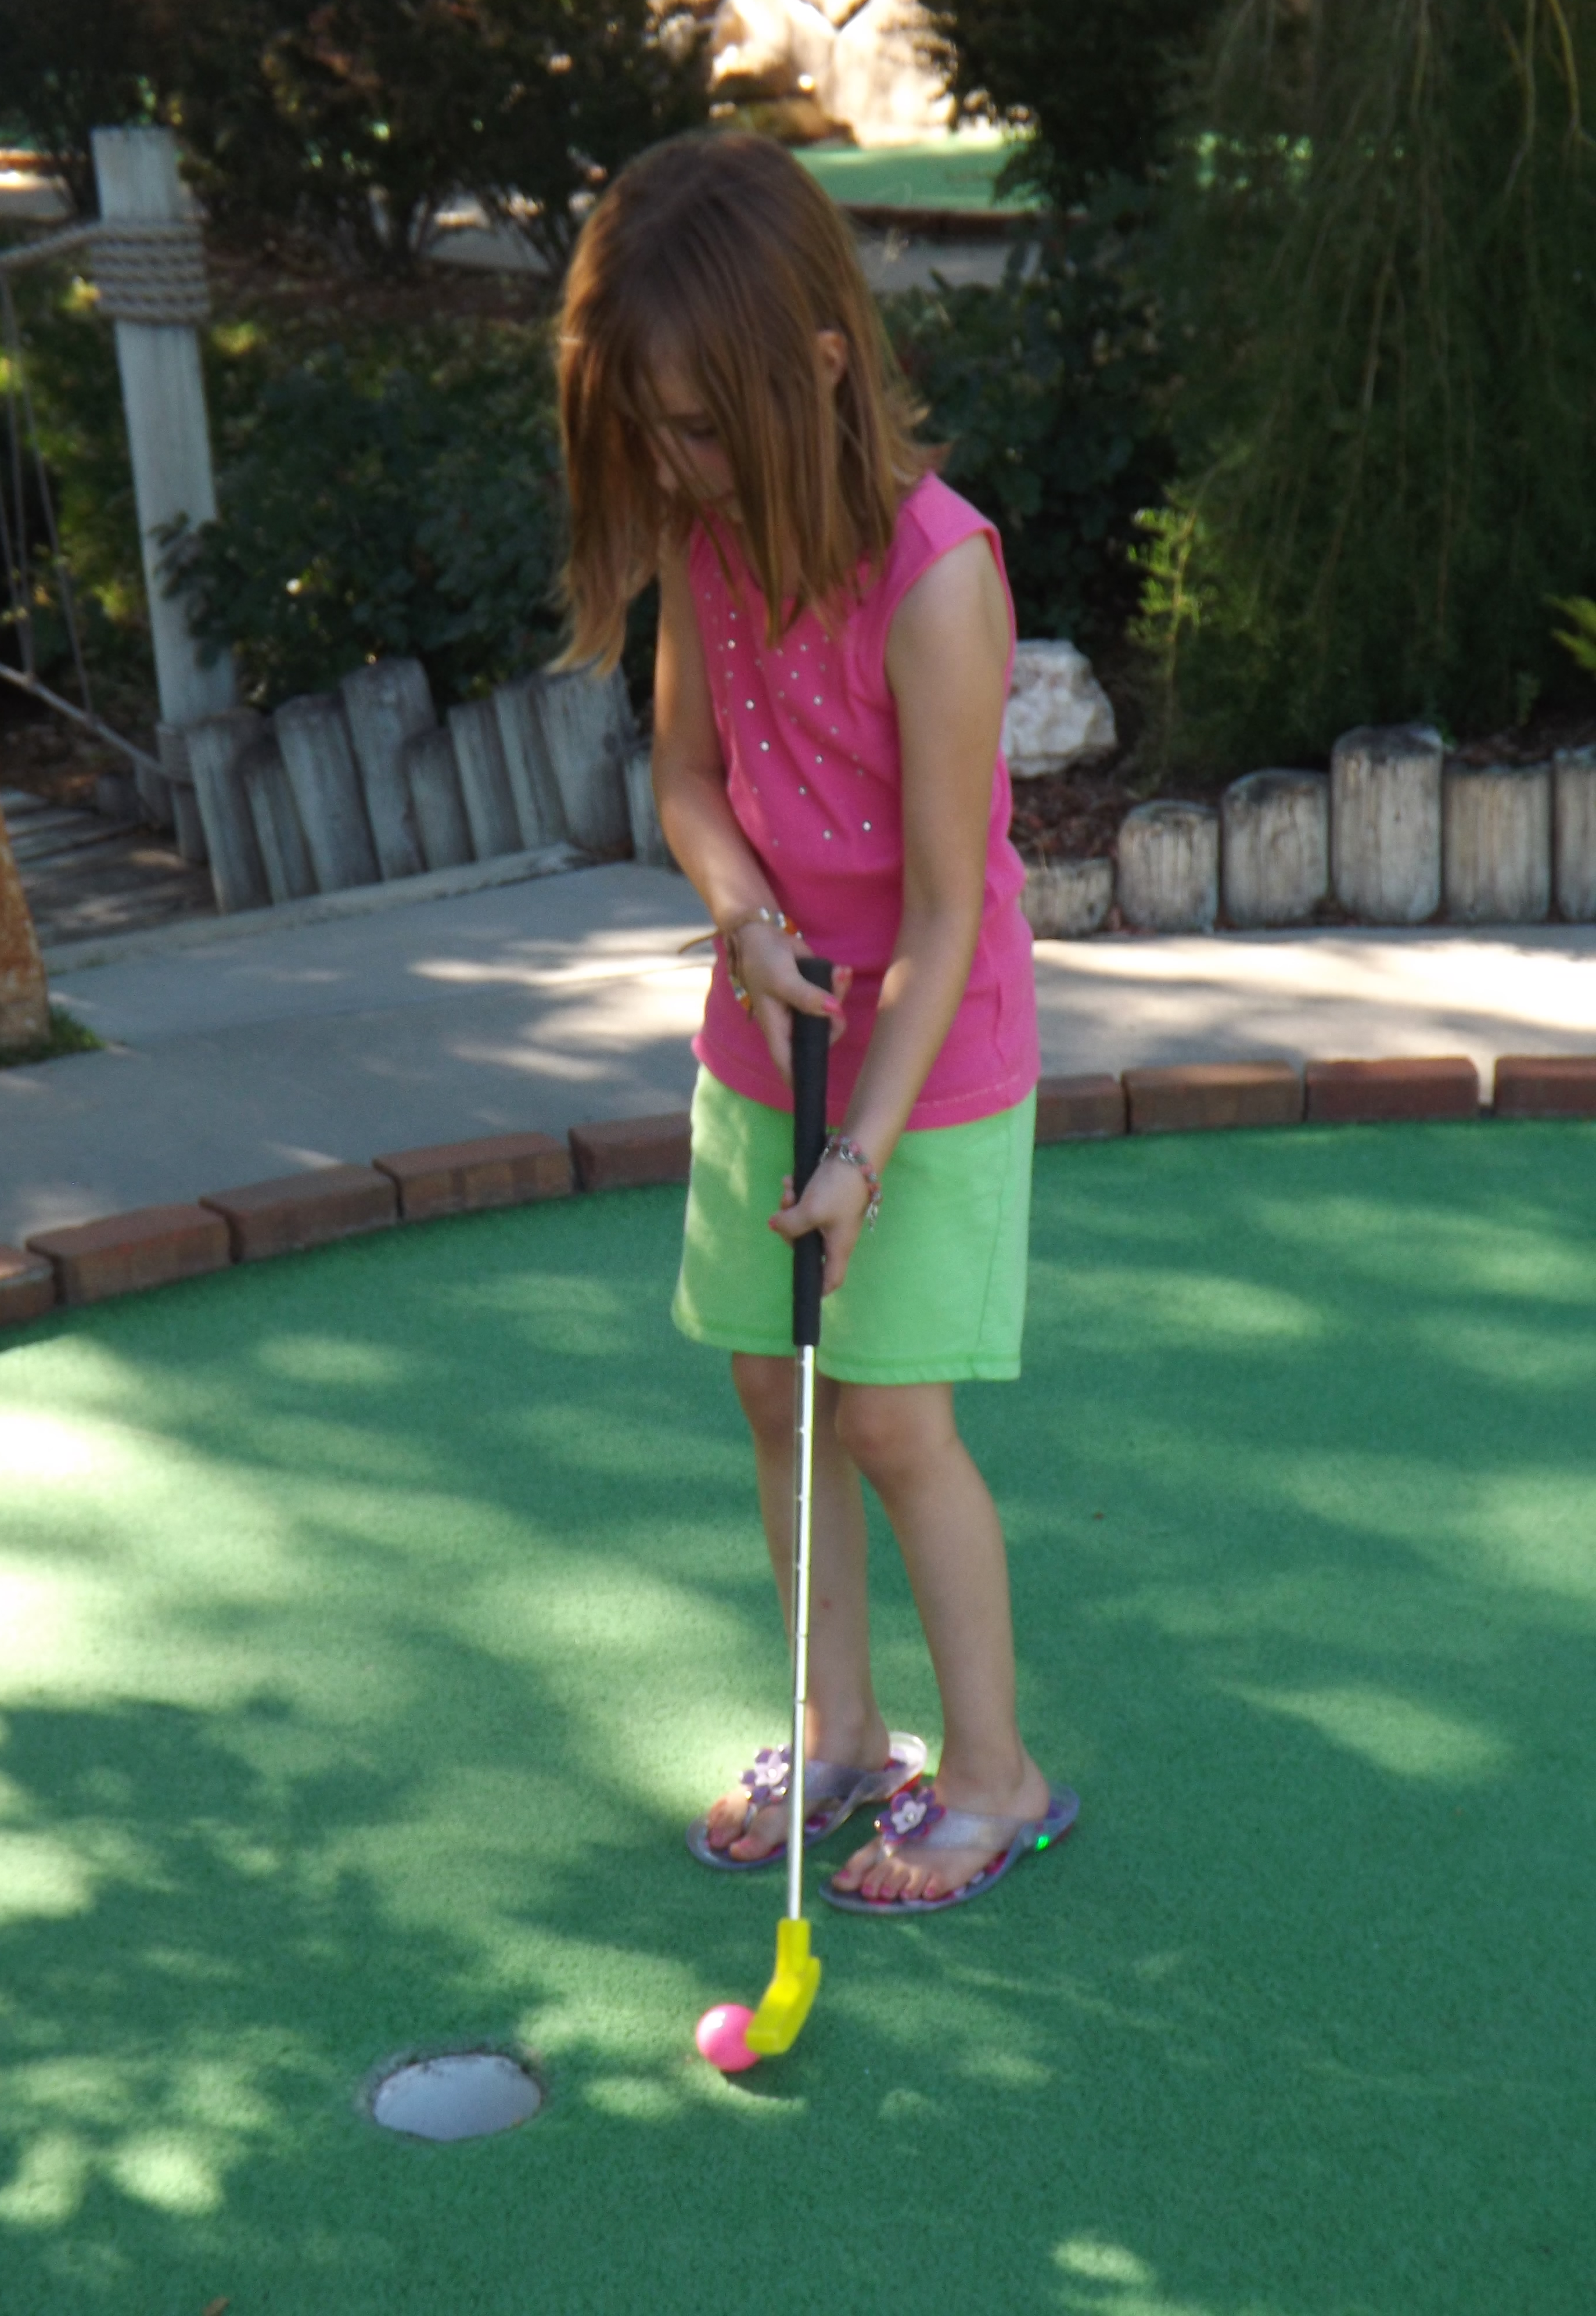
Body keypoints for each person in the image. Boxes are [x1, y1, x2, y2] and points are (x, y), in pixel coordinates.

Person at [556, 131, 1076, 1914]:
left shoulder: (938, 578)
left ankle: (994, 1776)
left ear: (824, 368)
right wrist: (737, 906)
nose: (676, 467)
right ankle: (842, 1731)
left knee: (892, 1424)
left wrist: (860, 1151)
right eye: (653, 434)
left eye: (703, 429)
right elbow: (688, 778)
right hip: (765, 1031)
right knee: (778, 1397)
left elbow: (943, 911)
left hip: (929, 1063)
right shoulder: (709, 542)